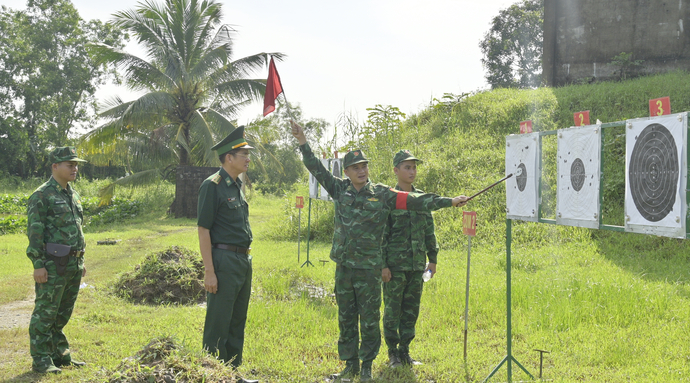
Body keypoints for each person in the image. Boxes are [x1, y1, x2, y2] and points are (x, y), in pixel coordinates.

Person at [291, 121, 467, 381]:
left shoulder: (383, 194)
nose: (361, 171)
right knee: (346, 317)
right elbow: (315, 167)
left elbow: (416, 201)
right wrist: (303, 142)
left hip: (369, 268)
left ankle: (366, 368)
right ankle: (349, 366)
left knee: (370, 319)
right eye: (355, 167)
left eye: (364, 166)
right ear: (347, 171)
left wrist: (448, 202)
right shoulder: (339, 189)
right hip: (344, 268)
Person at [197, 126, 258, 383]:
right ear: (228, 158)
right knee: (218, 320)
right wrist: (209, 271)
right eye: (243, 153)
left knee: (236, 319)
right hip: (223, 260)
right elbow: (203, 230)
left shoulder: (236, 185)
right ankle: (213, 374)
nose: (248, 157)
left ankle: (232, 372)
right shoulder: (213, 186)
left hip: (243, 260)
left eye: (247, 153)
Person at [26, 146, 88, 374]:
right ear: (55, 166)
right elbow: (35, 233)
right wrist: (38, 265)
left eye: (76, 164)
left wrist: (81, 260)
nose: (75, 168)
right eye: (69, 164)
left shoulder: (72, 194)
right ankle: (41, 358)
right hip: (52, 265)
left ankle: (59, 355)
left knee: (62, 312)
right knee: (46, 311)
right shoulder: (41, 195)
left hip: (73, 263)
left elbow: (77, 229)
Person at [382, 150, 438, 368]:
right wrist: (383, 265)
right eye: (407, 167)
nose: (412, 171)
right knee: (392, 310)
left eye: (414, 167)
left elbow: (429, 231)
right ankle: (393, 353)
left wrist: (432, 259)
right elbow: (382, 235)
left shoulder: (421, 198)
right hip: (394, 268)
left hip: (416, 266)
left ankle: (405, 351)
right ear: (396, 170)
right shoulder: (388, 198)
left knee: (411, 310)